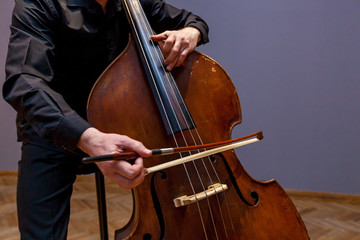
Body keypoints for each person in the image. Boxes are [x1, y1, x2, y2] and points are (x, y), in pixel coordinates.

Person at [2, 0, 209, 239]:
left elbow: (194, 23)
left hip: (119, 125)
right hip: (54, 130)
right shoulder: (38, 3)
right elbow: (22, 81)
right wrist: (87, 137)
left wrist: (190, 33)